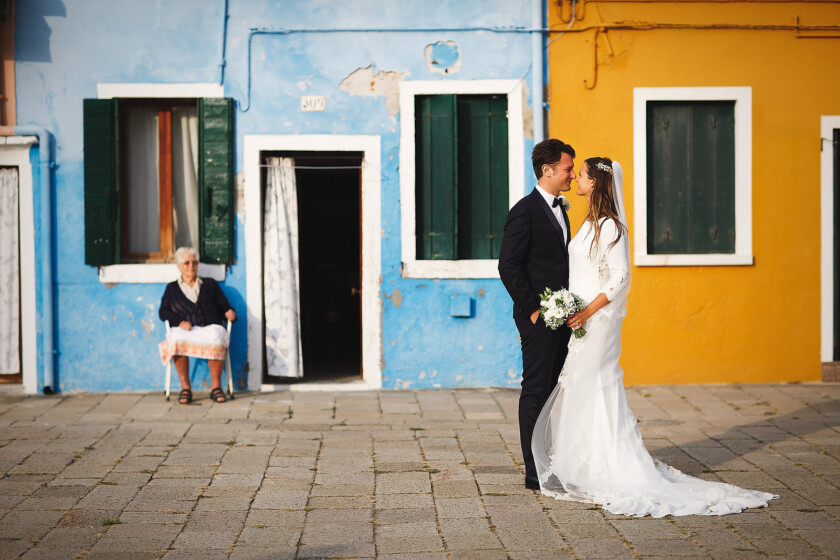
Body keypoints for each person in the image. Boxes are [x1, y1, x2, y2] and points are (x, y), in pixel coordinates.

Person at [531, 157, 777, 516]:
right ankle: (584, 464)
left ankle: (611, 466)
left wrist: (587, 311)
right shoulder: (588, 221)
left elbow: (619, 278)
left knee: (594, 384)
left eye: (581, 175)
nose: (577, 179)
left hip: (597, 322)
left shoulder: (612, 227)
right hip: (581, 320)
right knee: (583, 387)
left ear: (595, 183)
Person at [498, 139, 577, 490]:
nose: (572, 175)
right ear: (547, 170)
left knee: (550, 391)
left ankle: (548, 461)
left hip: (562, 315)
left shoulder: (561, 208)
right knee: (535, 390)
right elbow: (508, 266)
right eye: (567, 169)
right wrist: (532, 311)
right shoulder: (524, 210)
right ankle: (534, 470)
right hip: (538, 318)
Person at [159, 247, 237, 404]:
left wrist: (230, 312)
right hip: (186, 329)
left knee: (216, 338)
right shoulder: (172, 288)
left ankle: (216, 387)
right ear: (179, 266)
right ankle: (185, 388)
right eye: (187, 263)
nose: (191, 266)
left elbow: (224, 306)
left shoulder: (209, 284)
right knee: (177, 339)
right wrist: (179, 322)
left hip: (210, 327)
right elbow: (163, 312)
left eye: (194, 262)